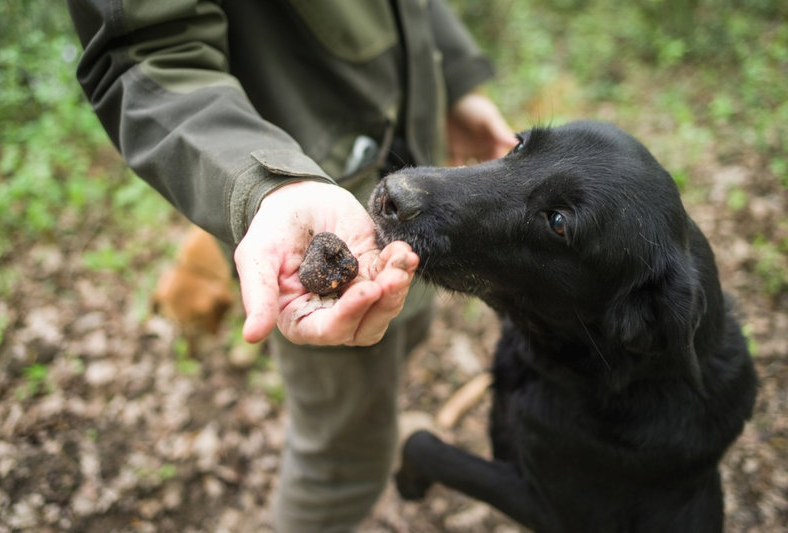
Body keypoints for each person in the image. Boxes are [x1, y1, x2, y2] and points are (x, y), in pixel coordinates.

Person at [67, 1, 516, 530]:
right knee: (341, 459)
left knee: (407, 326)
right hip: (308, 176)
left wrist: (452, 79)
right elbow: (144, 53)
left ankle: (384, 420)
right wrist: (267, 182)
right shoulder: (317, 258)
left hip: (410, 158)